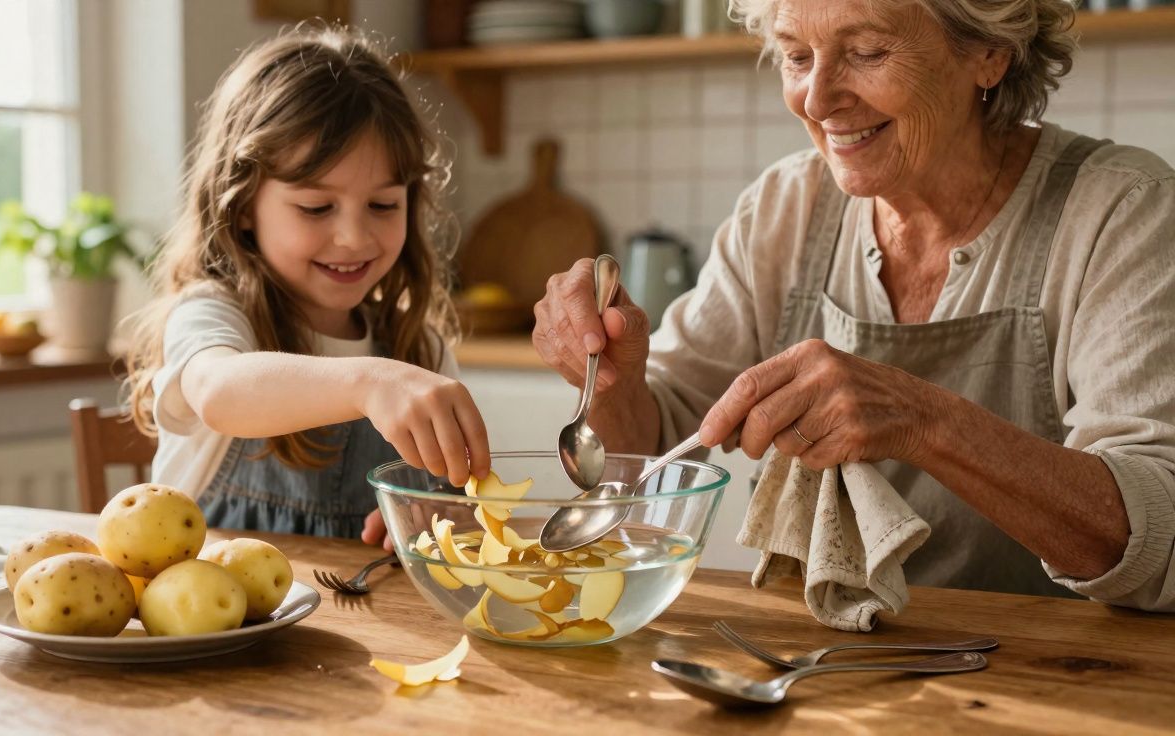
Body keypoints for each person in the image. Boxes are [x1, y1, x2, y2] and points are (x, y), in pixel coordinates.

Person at [533, 0, 1175, 609]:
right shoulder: (784, 208)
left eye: (867, 51)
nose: (816, 100)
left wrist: (922, 421)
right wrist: (612, 381)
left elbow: (1157, 536)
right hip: (818, 668)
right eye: (796, 56)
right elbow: (655, 451)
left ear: (989, 50)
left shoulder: (1123, 212)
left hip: (1052, 683)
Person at [124, 25, 489, 551]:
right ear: (243, 204)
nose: (354, 236)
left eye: (384, 204)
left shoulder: (419, 352)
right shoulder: (212, 314)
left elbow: (459, 513)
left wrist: (438, 514)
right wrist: (369, 383)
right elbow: (219, 391)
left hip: (366, 631)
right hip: (216, 630)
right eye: (316, 207)